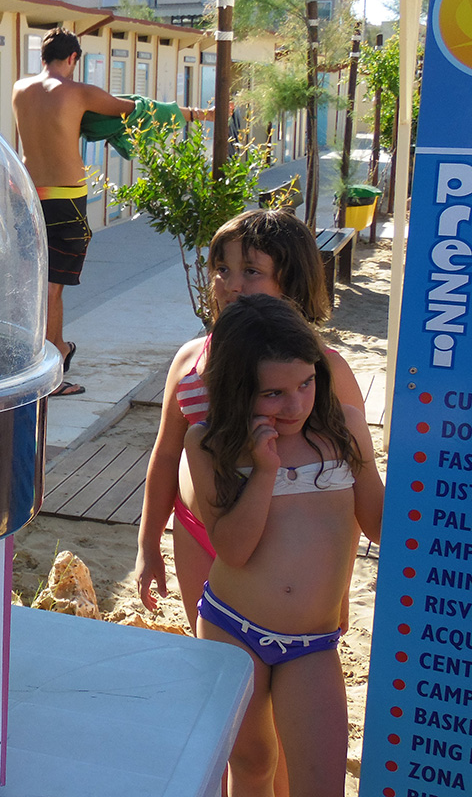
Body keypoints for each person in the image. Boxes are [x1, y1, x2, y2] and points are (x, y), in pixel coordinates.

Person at [184, 294, 382, 796]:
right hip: (232, 628)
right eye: (273, 393)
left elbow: (380, 525)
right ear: (236, 387)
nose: (295, 404)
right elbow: (233, 550)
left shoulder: (344, 430)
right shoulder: (210, 444)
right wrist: (265, 470)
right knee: (251, 767)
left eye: (307, 383)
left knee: (321, 783)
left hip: (311, 644)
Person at [135, 209, 366, 627]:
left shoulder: (322, 372)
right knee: (216, 665)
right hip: (196, 531)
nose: (231, 283)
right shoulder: (191, 361)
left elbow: (344, 491)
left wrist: (340, 587)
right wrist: (148, 542)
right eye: (221, 268)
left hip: (284, 544)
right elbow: (168, 454)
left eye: (252, 271)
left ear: (291, 282)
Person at [13, 28, 208, 397]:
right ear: (73, 58)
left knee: (42, 284)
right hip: (66, 199)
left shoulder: (20, 89)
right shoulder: (79, 92)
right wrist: (197, 114)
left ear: (44, 56)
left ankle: (60, 350)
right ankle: (50, 375)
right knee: (53, 288)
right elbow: (142, 110)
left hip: (29, 197)